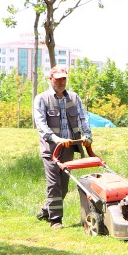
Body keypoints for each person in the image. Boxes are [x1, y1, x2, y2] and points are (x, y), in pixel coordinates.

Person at [32, 64, 91, 227]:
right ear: (51, 79)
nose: (61, 82)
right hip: (51, 150)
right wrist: (55, 138)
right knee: (54, 184)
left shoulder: (74, 98)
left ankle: (46, 210)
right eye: (57, 79)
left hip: (68, 148)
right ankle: (55, 220)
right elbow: (41, 124)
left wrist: (87, 136)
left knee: (63, 187)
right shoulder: (42, 99)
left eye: (63, 79)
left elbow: (83, 118)